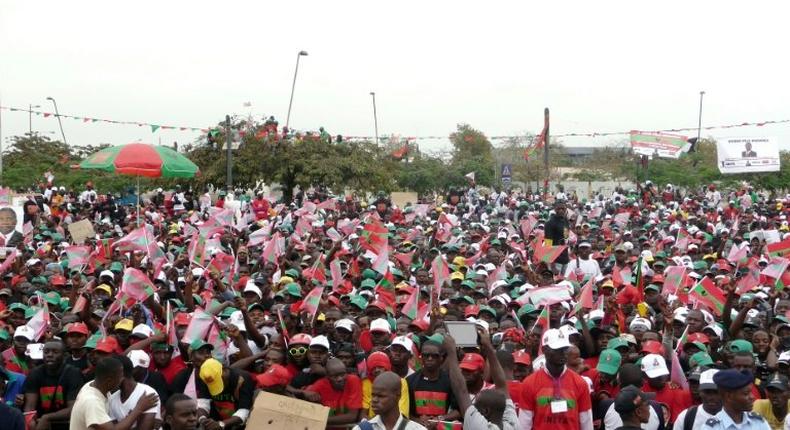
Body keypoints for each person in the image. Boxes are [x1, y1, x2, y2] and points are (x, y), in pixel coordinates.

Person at [443, 329, 518, 430]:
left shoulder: (479, 426)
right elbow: (501, 385)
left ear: (486, 411)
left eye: (476, 406)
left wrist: (451, 352)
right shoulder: (513, 424)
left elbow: (461, 390)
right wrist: (488, 347)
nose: (473, 407)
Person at [519, 328, 593, 429]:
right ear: (544, 350)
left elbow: (586, 421)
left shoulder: (580, 383)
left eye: (565, 349)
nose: (563, 353)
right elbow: (524, 424)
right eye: (557, 349)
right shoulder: (529, 383)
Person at [69, 357, 158, 430]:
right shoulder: (92, 401)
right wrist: (138, 409)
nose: (122, 380)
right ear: (109, 381)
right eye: (120, 378)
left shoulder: (95, 385)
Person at [23, 340, 84, 430]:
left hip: (66, 424)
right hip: (40, 424)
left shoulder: (73, 374)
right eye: (46, 352)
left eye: (55, 352)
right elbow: (29, 407)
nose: (50, 355)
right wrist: (30, 420)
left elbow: (73, 409)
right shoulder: (35, 374)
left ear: (64, 356)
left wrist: (47, 418)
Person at [353, 372, 426, 430]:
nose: (374, 400)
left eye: (381, 396)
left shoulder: (416, 428)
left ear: (397, 396)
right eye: (373, 395)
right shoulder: (361, 428)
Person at [704, 369, 770, 430]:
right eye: (746, 393)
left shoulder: (758, 422)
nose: (752, 397)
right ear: (729, 396)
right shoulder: (712, 428)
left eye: (751, 392)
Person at [107, 356, 160, 430]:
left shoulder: (148, 393)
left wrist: (127, 422)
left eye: (109, 376)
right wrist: (135, 415)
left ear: (120, 375)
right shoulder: (112, 399)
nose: (106, 381)